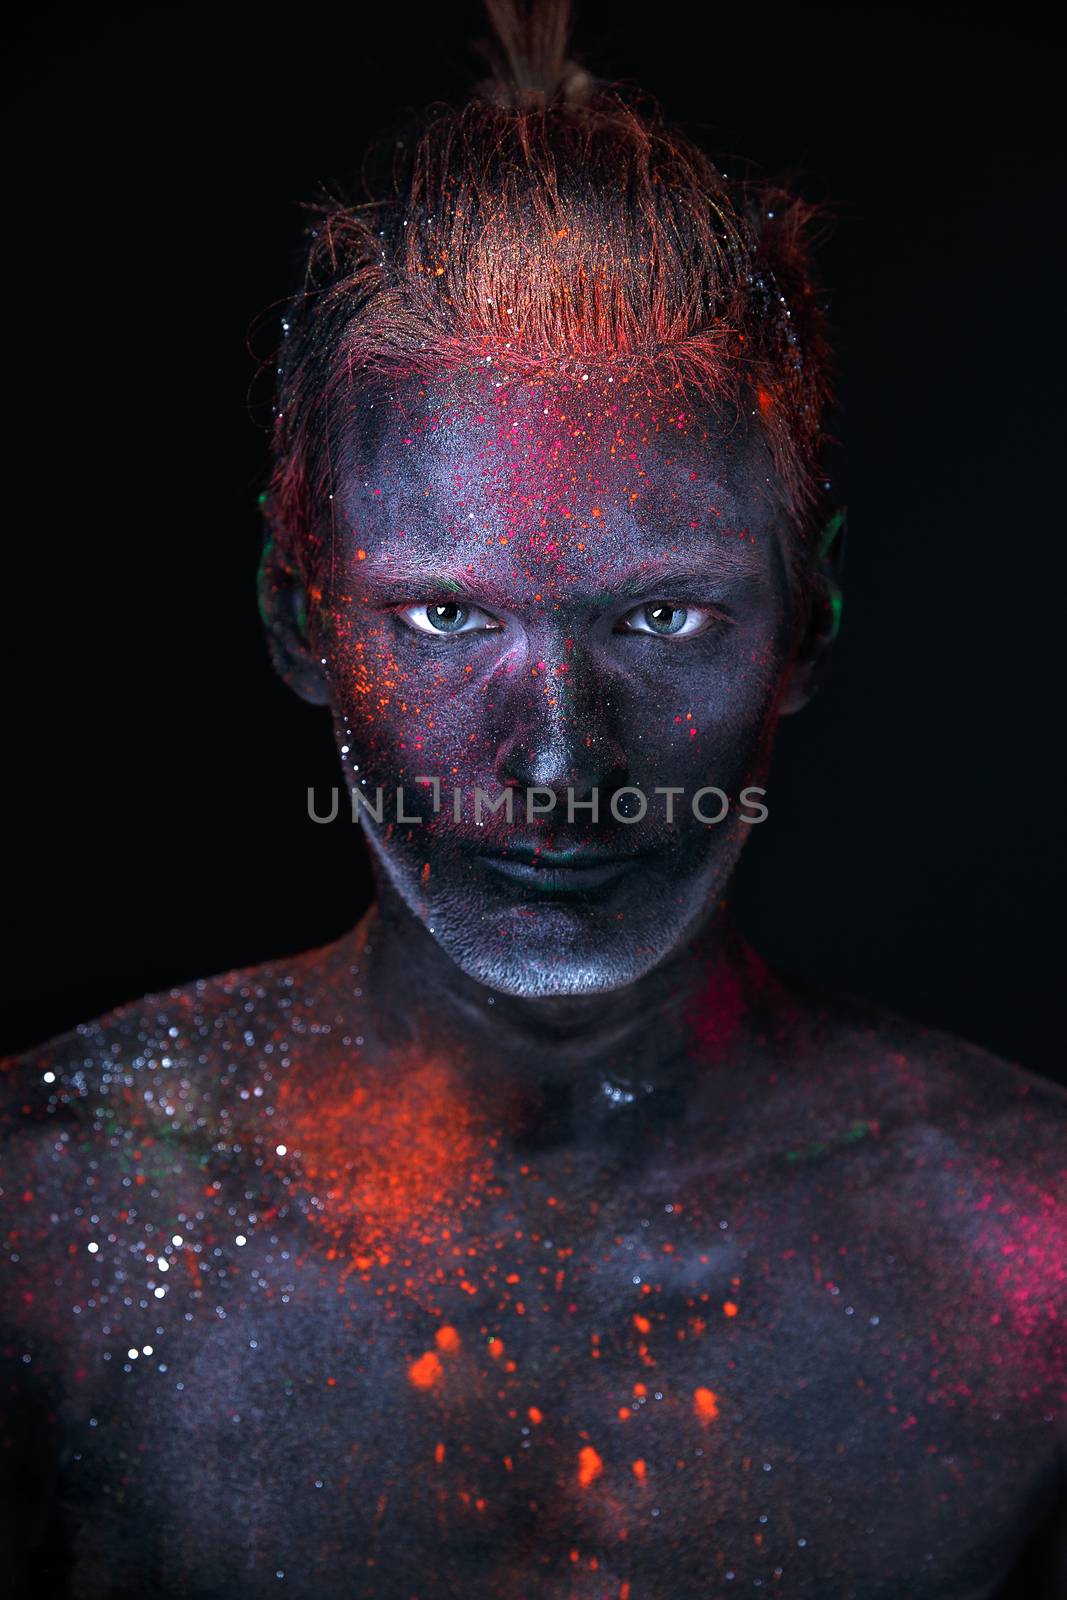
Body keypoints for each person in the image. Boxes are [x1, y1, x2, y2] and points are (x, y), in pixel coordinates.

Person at [2, 3, 1064, 1595]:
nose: (561, 762)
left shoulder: (1033, 1277)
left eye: (660, 618)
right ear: (300, 619)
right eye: (446, 619)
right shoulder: (37, 1232)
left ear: (811, 622)